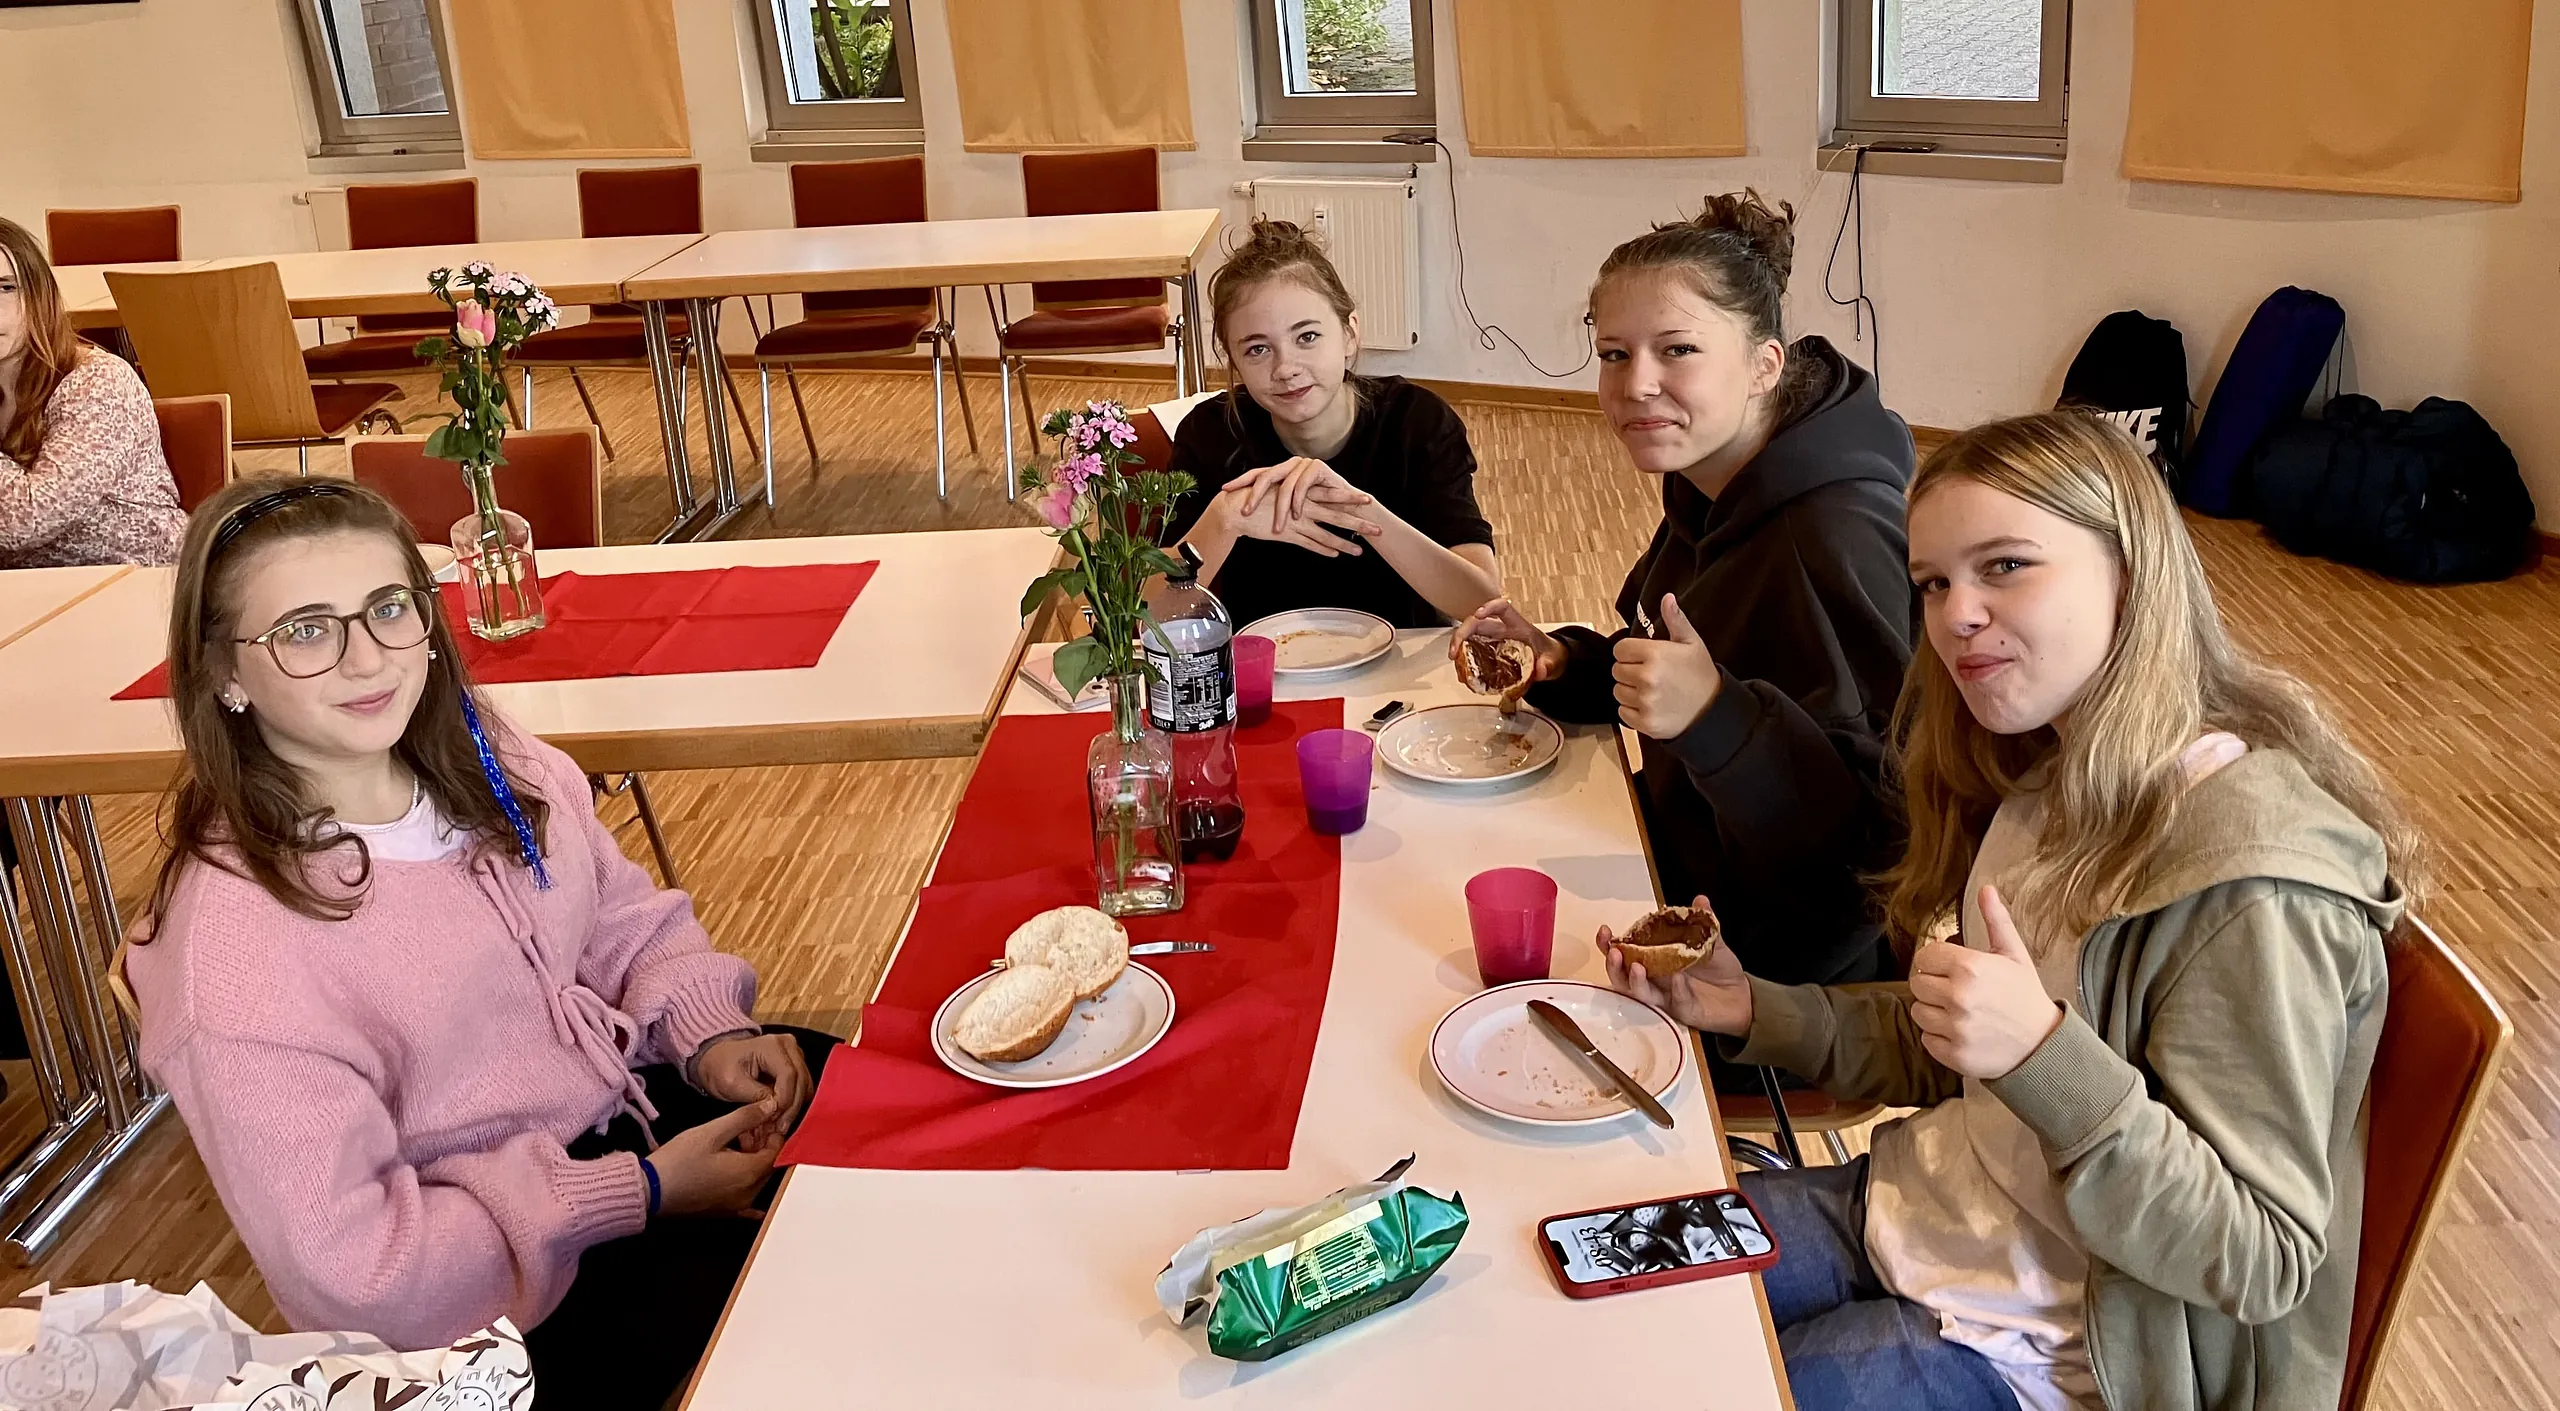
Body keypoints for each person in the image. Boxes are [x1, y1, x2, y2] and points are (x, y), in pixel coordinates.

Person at [1601, 411, 2418, 1411]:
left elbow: (2258, 1255)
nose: (1955, 616)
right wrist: (1753, 1008)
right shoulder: (2040, 773)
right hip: (1914, 1207)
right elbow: (1959, 1050)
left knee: (1678, 1384)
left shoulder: (2251, 886)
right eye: (1933, 582)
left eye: (2005, 567)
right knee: (1603, 1282)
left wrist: (2041, 1054)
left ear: (2130, 573)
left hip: (2054, 1350)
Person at [122, 478, 830, 1410]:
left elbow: (617, 918)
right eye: (306, 630)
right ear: (223, 672)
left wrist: (709, 1035)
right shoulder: (236, 963)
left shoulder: (483, 752)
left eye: (388, 608)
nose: (367, 658)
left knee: (869, 1110)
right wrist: (646, 1191)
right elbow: (363, 1272)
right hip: (496, 1309)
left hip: (623, 1121)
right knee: (828, 1309)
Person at [1454, 191, 1916, 990]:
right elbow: (1668, 663)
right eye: (1614, 354)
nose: (1637, 384)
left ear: (1765, 364)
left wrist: (1715, 716)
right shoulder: (1710, 482)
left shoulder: (1833, 535)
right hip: (1673, 858)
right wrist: (1563, 660)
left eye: (1677, 350)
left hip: (1771, 975)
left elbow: (1876, 855)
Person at [1162, 218, 1500, 629]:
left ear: (1349, 333)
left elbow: (1483, 603)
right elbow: (1145, 615)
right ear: (1233, 359)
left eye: (1307, 337)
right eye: (1257, 349)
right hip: (1260, 661)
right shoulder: (1210, 434)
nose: (1285, 368)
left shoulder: (1416, 422)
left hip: (1401, 657)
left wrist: (1361, 511)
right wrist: (1224, 519)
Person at [0, 216, 186, 568]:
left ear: (39, 296)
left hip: (135, 580)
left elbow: (29, 520)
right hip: (25, 589)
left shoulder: (97, 382)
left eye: (5, 288)